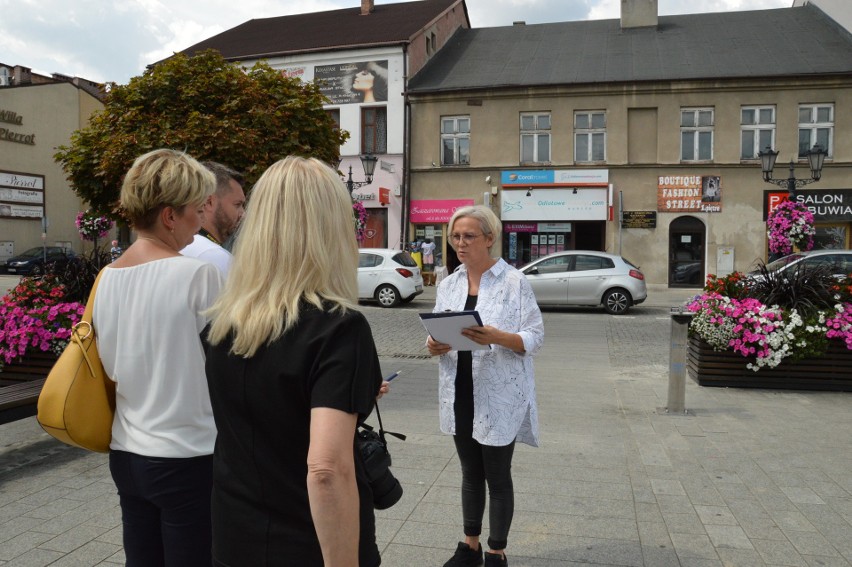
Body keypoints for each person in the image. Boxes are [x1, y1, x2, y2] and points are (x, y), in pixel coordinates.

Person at [204, 155, 386, 567]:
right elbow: (325, 468)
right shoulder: (338, 329)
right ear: (332, 228)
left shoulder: (224, 322)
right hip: (309, 545)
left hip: (234, 537)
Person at [93, 149, 223, 566]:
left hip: (127, 450)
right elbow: (231, 367)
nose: (200, 221)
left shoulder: (107, 277)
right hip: (187, 454)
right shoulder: (197, 274)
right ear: (170, 215)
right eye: (196, 210)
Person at [426, 205, 544, 567]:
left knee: (497, 474)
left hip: (499, 393)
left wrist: (499, 337)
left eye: (468, 236)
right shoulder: (449, 282)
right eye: (455, 236)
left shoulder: (514, 282)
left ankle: (496, 551)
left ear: (489, 239)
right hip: (459, 388)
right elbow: (438, 330)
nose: (460, 243)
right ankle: (470, 546)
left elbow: (534, 336)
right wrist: (432, 345)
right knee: (469, 472)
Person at [180, 161, 246, 275]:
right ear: (209, 202)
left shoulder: (177, 246)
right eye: (237, 204)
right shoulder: (215, 256)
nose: (243, 214)